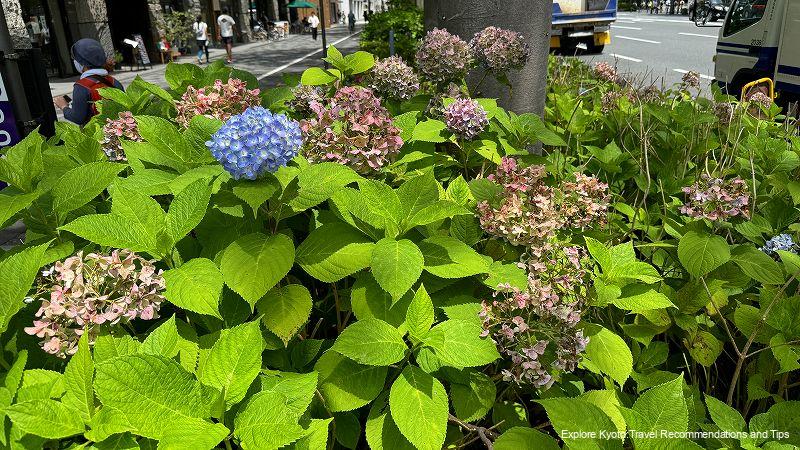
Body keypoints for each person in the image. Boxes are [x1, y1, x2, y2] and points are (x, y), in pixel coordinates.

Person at [53, 38, 123, 126]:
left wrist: (64, 106)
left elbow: (77, 118)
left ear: (81, 63)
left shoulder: (82, 86)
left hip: (95, 135)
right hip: (116, 132)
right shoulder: (114, 82)